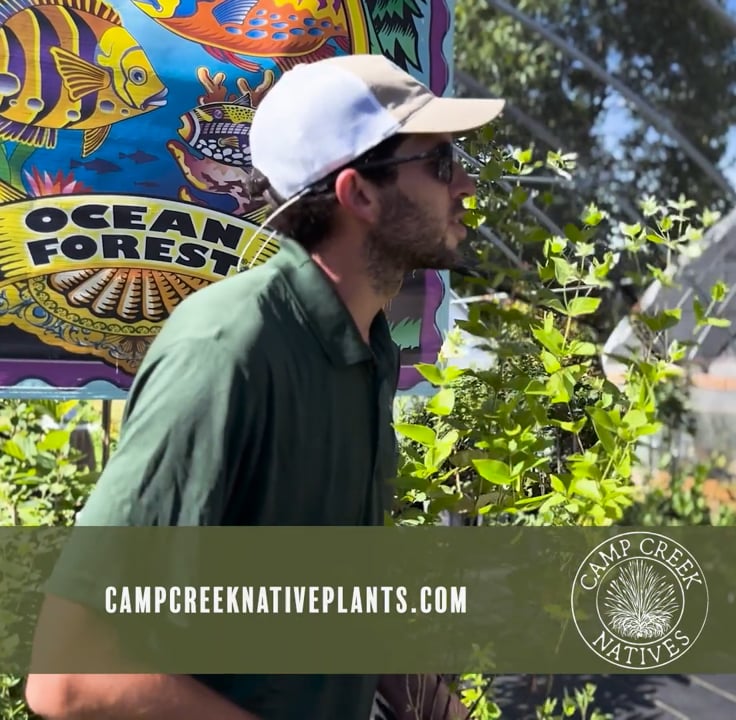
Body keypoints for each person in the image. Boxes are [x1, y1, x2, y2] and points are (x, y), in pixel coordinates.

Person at [23, 53, 505, 719]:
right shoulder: (230, 351)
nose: (467, 185)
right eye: (442, 163)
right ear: (359, 194)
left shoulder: (366, 352)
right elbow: (69, 676)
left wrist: (421, 694)